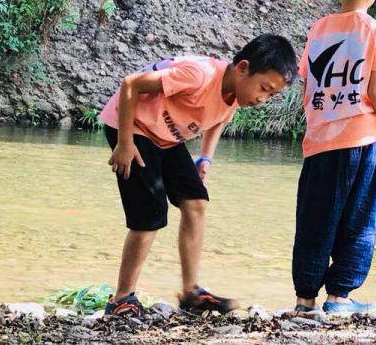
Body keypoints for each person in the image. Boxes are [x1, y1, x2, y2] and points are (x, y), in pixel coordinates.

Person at [99, 35, 299, 317]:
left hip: (166, 138)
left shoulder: (235, 94)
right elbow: (131, 84)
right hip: (134, 127)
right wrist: (124, 142)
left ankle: (191, 292)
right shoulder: (199, 75)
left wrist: (205, 158)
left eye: (271, 95)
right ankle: (121, 298)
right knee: (150, 216)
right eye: (264, 88)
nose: (263, 99)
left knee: (196, 202)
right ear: (242, 68)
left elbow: (218, 120)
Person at [292, 0, 376, 315]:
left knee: (314, 218)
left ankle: (304, 298)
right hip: (360, 141)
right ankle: (340, 297)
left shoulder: (318, 29)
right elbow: (375, 90)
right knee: (357, 219)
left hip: (320, 142)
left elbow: (309, 84)